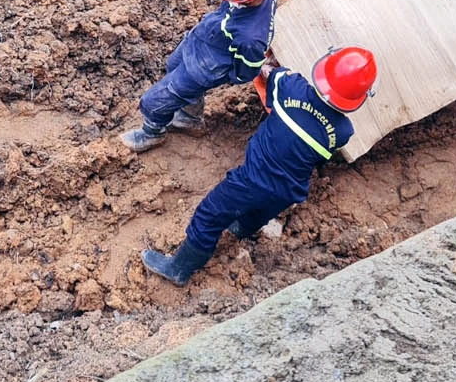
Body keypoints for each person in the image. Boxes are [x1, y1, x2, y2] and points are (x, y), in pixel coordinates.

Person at [142, 47, 377, 285]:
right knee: (258, 214)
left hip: (251, 180)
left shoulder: (290, 85)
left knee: (209, 215)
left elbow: (267, 73)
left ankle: (180, 269)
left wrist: (266, 64)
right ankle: (240, 229)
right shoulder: (343, 131)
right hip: (289, 190)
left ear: (324, 71)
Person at [121, 0, 278, 153]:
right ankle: (190, 119)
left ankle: (153, 133)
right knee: (173, 66)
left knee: (154, 101)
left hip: (208, 65)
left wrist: (225, 76)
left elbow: (247, 70)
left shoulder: (250, 37)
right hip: (202, 39)